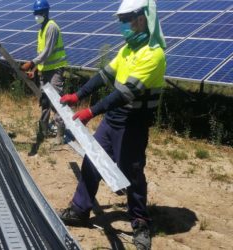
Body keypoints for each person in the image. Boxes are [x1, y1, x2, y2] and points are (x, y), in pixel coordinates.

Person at [58, 0, 166, 249]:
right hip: (113, 120)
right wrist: (79, 94)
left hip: (133, 124)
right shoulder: (127, 49)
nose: (122, 25)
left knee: (132, 172)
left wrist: (91, 111)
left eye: (125, 20)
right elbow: (104, 75)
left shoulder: (153, 54)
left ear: (141, 19)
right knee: (92, 160)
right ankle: (80, 209)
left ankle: (140, 221)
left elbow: (126, 93)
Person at [20, 0, 68, 155]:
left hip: (55, 70)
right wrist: (34, 69)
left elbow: (47, 52)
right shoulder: (41, 29)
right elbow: (42, 54)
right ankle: (43, 130)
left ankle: (60, 134)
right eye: (35, 14)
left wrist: (31, 63)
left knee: (56, 101)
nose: (36, 16)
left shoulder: (51, 27)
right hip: (45, 70)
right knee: (45, 100)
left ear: (46, 13)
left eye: (39, 13)